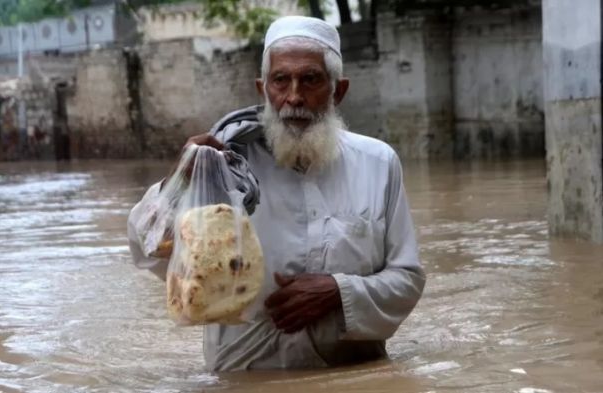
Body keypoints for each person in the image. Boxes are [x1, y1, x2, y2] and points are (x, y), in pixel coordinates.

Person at [127, 15, 425, 371]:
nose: (294, 96)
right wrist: (177, 183)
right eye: (281, 80)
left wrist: (338, 292)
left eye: (311, 80)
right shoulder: (224, 167)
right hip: (247, 375)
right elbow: (147, 252)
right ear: (262, 89)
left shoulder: (378, 163)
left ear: (338, 90)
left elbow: (407, 279)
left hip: (351, 371)